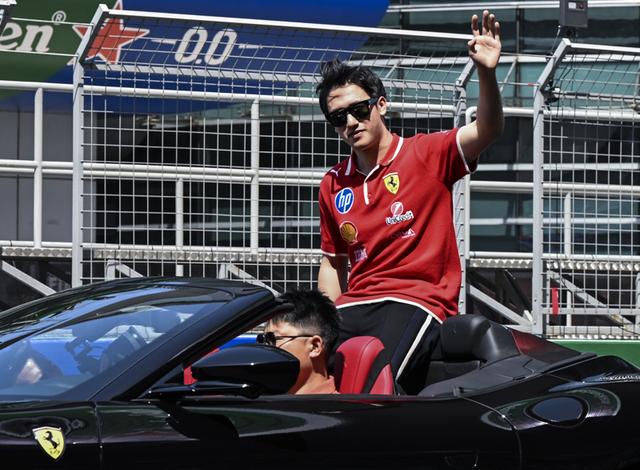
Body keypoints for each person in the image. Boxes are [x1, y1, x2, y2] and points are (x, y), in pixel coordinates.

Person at [316, 11, 504, 393]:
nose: (350, 122)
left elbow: (487, 130)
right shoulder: (333, 183)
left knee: (369, 382)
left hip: (416, 301)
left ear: (381, 105)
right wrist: (324, 321)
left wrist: (486, 73)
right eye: (338, 117)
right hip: (353, 305)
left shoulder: (426, 153)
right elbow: (333, 263)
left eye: (359, 110)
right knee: (301, 371)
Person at [258, 288, 340, 394]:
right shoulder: (265, 395)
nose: (264, 348)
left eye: (272, 339)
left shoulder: (333, 404)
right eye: (262, 339)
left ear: (315, 346)